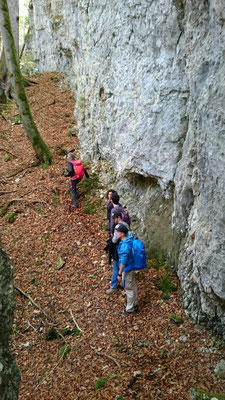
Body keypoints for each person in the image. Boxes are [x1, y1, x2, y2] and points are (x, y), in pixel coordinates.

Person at [105, 210, 131, 294]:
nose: (113, 220)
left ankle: (114, 286)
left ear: (118, 217)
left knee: (116, 268)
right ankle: (122, 284)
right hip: (123, 249)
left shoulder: (118, 227)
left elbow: (114, 240)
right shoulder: (126, 225)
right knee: (122, 268)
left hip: (118, 250)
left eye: (114, 218)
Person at [116, 224, 138, 317]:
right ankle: (134, 304)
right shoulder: (129, 241)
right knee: (132, 286)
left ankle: (130, 308)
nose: (116, 234)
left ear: (122, 234)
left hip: (127, 270)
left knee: (129, 288)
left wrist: (119, 274)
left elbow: (123, 262)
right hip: (131, 267)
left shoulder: (125, 246)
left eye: (117, 232)